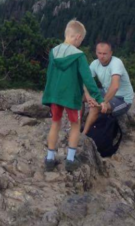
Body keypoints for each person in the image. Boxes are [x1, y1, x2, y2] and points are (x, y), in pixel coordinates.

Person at [41, 19, 108, 172]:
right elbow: (88, 79)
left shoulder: (53, 52)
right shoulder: (79, 56)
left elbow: (50, 74)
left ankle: (50, 159)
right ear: (77, 37)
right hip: (71, 97)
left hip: (55, 95)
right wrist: (99, 99)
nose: (80, 43)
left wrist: (49, 94)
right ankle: (70, 160)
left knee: (55, 124)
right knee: (75, 125)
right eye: (81, 40)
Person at [82, 42, 134, 133]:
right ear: (96, 53)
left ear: (111, 53)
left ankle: (83, 135)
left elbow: (115, 86)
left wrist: (103, 102)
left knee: (95, 107)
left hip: (122, 99)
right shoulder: (95, 63)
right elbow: (85, 81)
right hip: (106, 92)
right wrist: (88, 96)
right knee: (79, 97)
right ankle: (77, 126)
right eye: (99, 53)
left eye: (105, 53)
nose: (102, 56)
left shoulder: (116, 63)